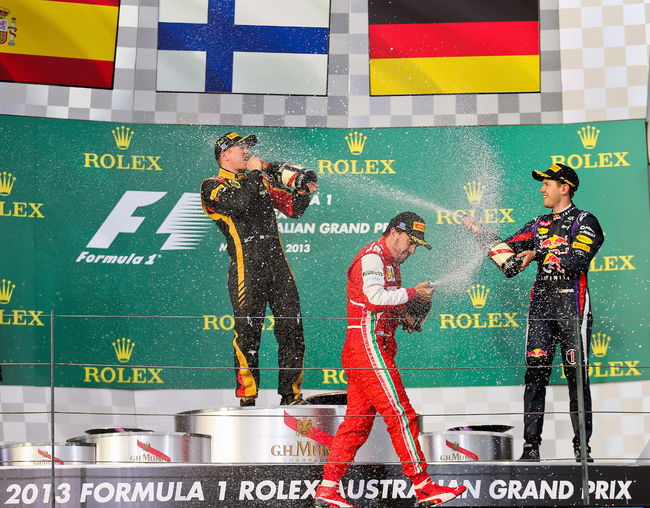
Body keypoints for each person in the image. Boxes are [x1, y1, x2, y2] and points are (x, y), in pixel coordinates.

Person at [314, 212, 467, 508]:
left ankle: (328, 490)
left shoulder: (391, 264)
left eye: (417, 246)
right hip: (367, 345)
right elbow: (374, 299)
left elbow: (401, 316)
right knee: (400, 414)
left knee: (356, 423)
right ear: (394, 232)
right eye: (410, 243)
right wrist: (411, 293)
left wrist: (419, 305)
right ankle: (424, 486)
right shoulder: (372, 258)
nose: (412, 251)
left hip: (375, 346)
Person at [463, 163, 604, 462]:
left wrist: (538, 253)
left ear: (564, 188)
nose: (542, 189)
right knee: (535, 375)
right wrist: (479, 232)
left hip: (572, 307)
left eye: (547, 184)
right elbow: (508, 256)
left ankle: (582, 451)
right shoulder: (538, 224)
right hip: (541, 308)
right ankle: (531, 449)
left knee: (576, 375)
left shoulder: (585, 221)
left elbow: (577, 261)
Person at [200, 132, 318, 407]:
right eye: (240, 147)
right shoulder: (212, 185)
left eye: (247, 147)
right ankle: (248, 398)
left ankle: (291, 395)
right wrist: (255, 173)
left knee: (292, 329)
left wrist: (303, 191)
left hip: (278, 265)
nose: (247, 151)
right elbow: (239, 203)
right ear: (224, 156)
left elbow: (292, 208)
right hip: (246, 266)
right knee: (248, 333)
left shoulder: (259, 181)